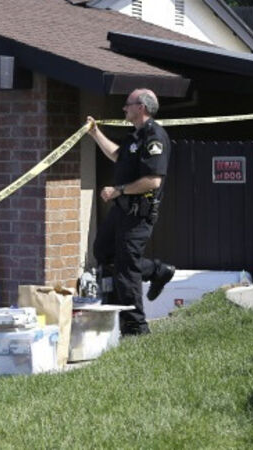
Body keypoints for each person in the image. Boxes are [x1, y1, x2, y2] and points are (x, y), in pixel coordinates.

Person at [86, 88, 175, 336]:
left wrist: (118, 190)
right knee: (103, 250)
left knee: (126, 268)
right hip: (122, 209)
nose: (124, 108)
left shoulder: (155, 136)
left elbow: (153, 181)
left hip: (138, 213)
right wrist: (95, 133)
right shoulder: (134, 136)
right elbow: (117, 156)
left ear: (141, 107)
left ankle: (136, 328)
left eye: (128, 104)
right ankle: (157, 271)